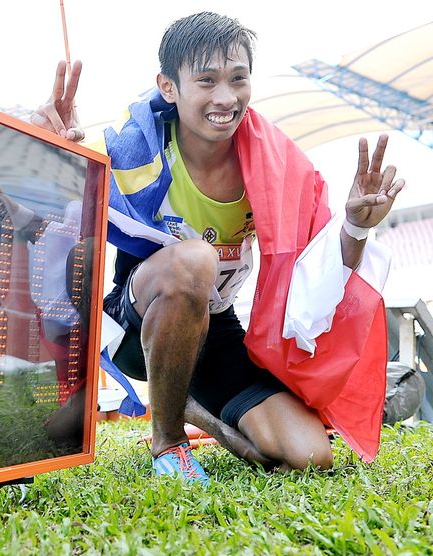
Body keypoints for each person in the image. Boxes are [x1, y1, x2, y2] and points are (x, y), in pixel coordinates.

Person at [31, 12, 404, 484]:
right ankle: (168, 440)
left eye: (238, 79)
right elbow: (49, 217)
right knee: (195, 259)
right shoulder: (132, 152)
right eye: (206, 81)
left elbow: (323, 272)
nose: (225, 98)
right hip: (135, 323)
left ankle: (187, 401)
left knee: (308, 455)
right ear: (169, 86)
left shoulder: (276, 165)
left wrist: (355, 226)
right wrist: (52, 154)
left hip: (216, 327)